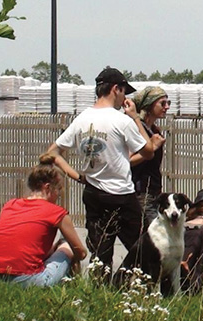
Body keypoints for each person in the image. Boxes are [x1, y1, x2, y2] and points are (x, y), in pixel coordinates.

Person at [44, 67, 156, 276]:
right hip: (121, 194)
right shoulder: (121, 121)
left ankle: (100, 289)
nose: (124, 97)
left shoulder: (81, 118)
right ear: (116, 89)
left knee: (100, 251)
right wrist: (135, 118)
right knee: (143, 247)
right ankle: (128, 284)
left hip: (93, 192)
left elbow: (53, 152)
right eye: (124, 91)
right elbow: (148, 151)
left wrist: (78, 176)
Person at [0, 154, 88, 287]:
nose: (59, 195)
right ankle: (74, 292)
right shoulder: (56, 212)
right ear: (47, 188)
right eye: (58, 189)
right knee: (66, 245)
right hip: (28, 280)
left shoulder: (10, 205)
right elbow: (80, 253)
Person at [131, 85, 170, 225]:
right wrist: (151, 149)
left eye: (168, 103)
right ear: (149, 105)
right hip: (142, 191)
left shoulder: (153, 130)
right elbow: (128, 160)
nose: (167, 107)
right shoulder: (137, 129)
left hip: (153, 190)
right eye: (162, 103)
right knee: (152, 235)